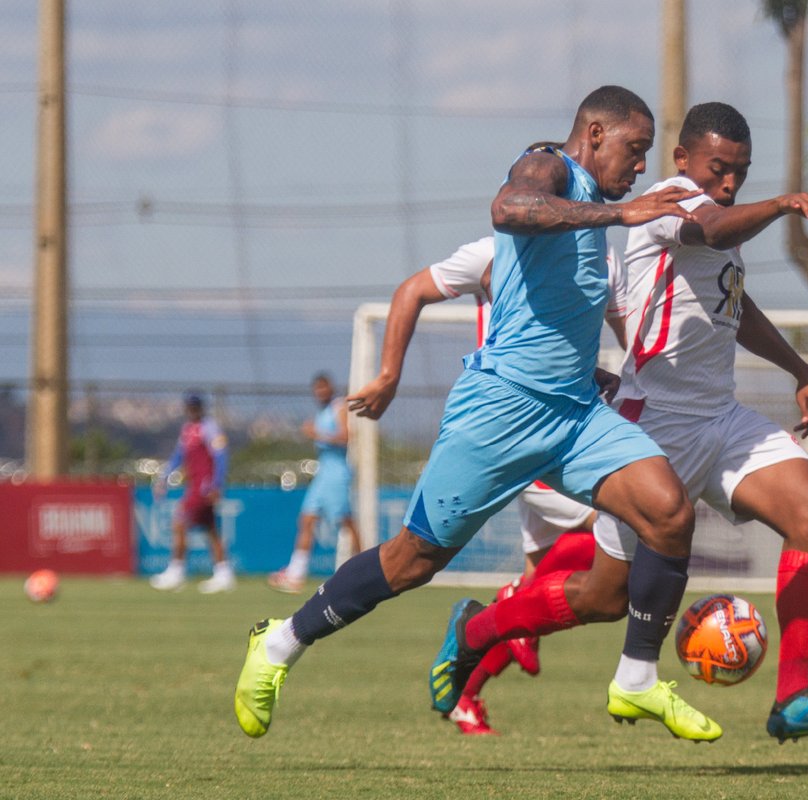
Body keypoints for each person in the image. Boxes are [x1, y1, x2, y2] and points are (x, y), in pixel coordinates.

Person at [234, 85, 719, 742]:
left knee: (669, 512)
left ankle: (635, 680)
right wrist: (620, 213)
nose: (639, 166)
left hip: (576, 417)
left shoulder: (597, 221)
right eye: (634, 150)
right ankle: (280, 642)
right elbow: (509, 208)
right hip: (500, 412)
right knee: (412, 561)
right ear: (595, 134)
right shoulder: (547, 166)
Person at [455, 101, 808, 742]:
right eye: (718, 168)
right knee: (604, 598)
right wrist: (784, 203)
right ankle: (477, 629)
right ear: (682, 160)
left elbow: (734, 303)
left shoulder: (719, 216)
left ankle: (793, 697)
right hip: (654, 425)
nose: (728, 183)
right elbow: (715, 231)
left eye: (740, 172)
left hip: (721, 417)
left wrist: (800, 368)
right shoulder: (671, 202)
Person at [346, 232, 621, 734]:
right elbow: (413, 289)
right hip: (520, 431)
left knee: (540, 592)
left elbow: (571, 334)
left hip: (562, 424)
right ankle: (508, 605)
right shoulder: (494, 250)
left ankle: (465, 694)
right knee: (616, 527)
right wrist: (388, 375)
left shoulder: (598, 254)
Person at [267, 373, 364, 594]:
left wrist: (317, 434)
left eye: (323, 387)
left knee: (346, 522)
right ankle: (296, 574)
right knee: (307, 519)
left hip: (337, 473)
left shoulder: (338, 408)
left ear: (330, 388)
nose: (320, 392)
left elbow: (346, 437)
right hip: (323, 472)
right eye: (317, 389)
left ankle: (364, 569)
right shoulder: (322, 412)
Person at [149, 392, 235, 594]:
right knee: (211, 529)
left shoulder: (209, 427)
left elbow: (221, 456)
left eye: (195, 407)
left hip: (203, 487)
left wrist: (216, 484)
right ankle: (224, 573)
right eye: (189, 406)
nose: (192, 410)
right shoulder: (187, 430)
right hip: (193, 484)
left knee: (179, 522)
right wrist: (164, 478)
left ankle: (176, 571)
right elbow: (178, 456)